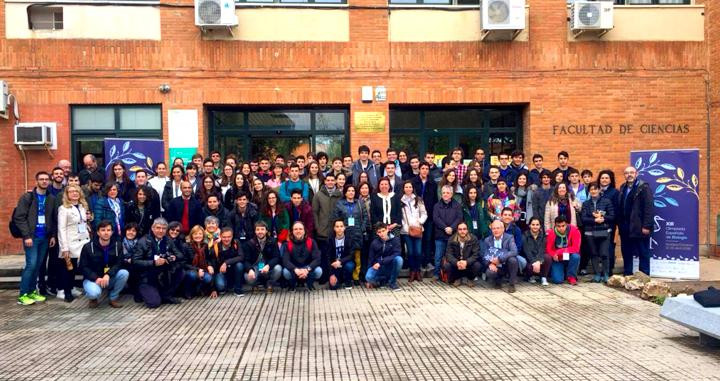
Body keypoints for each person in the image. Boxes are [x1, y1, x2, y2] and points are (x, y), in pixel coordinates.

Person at [13, 172, 56, 305]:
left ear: (49, 181)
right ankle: (23, 294)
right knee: (31, 265)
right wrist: (26, 236)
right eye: (41, 179)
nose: (44, 181)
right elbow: (19, 217)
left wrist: (53, 235)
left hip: (44, 237)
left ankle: (32, 292)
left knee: (38, 266)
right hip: (31, 237)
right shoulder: (27, 197)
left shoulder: (51, 198)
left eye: (46, 179)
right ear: (36, 181)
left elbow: (53, 219)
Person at [132, 218, 185, 308]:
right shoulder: (143, 241)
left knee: (181, 271)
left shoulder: (168, 240)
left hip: (163, 275)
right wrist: (153, 263)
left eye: (164, 228)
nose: (161, 231)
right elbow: (135, 262)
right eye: (158, 228)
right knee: (154, 303)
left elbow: (180, 255)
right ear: (153, 228)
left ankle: (165, 295)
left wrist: (174, 257)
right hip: (147, 277)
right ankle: (144, 293)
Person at [79, 220, 129, 308]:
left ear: (112, 232)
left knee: (124, 273)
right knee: (94, 293)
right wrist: (96, 278)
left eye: (108, 230)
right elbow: (83, 267)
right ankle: (93, 298)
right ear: (98, 232)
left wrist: (108, 275)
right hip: (93, 279)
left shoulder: (118, 245)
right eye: (103, 230)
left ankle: (113, 298)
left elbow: (119, 263)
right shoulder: (88, 247)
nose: (106, 233)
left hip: (108, 278)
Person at [56, 184, 91, 302]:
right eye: (71, 192)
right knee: (69, 268)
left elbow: (84, 223)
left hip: (84, 241)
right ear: (67, 194)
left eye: (76, 191)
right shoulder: (63, 209)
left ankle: (72, 287)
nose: (74, 193)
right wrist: (64, 247)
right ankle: (67, 293)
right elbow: (62, 229)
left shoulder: (83, 206)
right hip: (71, 243)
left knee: (79, 268)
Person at [617, 166, 654, 276]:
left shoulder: (643, 187)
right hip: (625, 226)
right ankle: (628, 274)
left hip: (640, 226)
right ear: (624, 175)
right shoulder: (623, 187)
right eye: (627, 173)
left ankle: (644, 276)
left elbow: (649, 208)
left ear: (636, 174)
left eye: (631, 172)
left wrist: (646, 226)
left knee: (643, 252)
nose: (629, 175)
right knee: (627, 251)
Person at [332, 183, 369, 282]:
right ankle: (345, 277)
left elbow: (365, 217)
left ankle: (356, 277)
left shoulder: (360, 203)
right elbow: (336, 218)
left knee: (358, 258)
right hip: (345, 234)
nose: (351, 192)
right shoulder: (340, 203)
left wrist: (362, 228)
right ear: (345, 192)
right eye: (349, 191)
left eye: (353, 190)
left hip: (358, 233)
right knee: (347, 256)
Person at [581, 182, 615, 283]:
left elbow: (612, 216)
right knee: (594, 253)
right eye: (591, 189)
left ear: (599, 190)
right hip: (590, 232)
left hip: (604, 231)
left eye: (595, 189)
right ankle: (597, 274)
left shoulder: (607, 201)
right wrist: (594, 220)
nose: (593, 191)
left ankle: (605, 274)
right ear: (589, 191)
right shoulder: (586, 204)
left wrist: (603, 218)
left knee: (604, 253)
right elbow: (583, 218)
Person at [312, 173, 343, 279]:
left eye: (332, 180)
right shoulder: (319, 195)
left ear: (335, 182)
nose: (330, 182)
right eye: (328, 180)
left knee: (334, 254)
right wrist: (317, 227)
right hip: (322, 230)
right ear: (325, 181)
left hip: (335, 230)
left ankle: (335, 276)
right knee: (323, 255)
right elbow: (315, 212)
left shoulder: (339, 195)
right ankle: (324, 276)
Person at [433, 185, 463, 280]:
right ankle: (436, 274)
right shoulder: (437, 206)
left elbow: (459, 218)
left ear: (452, 194)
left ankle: (453, 275)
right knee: (438, 256)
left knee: (453, 256)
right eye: (444, 193)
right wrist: (445, 228)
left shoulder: (457, 205)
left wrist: (452, 228)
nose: (445, 195)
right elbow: (436, 219)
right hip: (440, 235)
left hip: (453, 235)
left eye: (448, 193)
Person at [400, 181, 428, 282]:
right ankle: (412, 271)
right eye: (406, 187)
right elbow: (400, 217)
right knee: (410, 252)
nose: (408, 189)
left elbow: (424, 213)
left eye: (410, 187)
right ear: (403, 189)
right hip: (406, 231)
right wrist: (405, 226)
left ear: (413, 188)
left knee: (418, 252)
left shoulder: (418, 200)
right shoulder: (400, 201)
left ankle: (418, 271)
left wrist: (419, 222)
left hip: (418, 229)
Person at [243, 222, 282, 293]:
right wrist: (250, 269)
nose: (260, 232)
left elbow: (276, 257)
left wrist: (268, 265)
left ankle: (269, 284)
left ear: (266, 231)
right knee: (247, 277)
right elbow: (246, 260)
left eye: (262, 229)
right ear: (255, 231)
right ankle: (255, 285)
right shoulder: (249, 243)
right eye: (257, 229)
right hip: (255, 267)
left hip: (267, 266)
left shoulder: (272, 241)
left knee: (278, 269)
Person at [282, 222, 322, 291]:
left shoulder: (312, 242)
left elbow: (317, 259)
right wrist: (295, 269)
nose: (298, 231)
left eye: (300, 229)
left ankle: (309, 282)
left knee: (319, 271)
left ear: (304, 231)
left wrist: (307, 269)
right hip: (294, 269)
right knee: (285, 272)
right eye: (296, 229)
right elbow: (285, 261)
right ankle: (293, 284)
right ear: (292, 231)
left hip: (307, 268)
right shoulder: (287, 244)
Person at [483, 220, 519, 293]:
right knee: (489, 272)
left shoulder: (509, 238)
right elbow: (484, 255)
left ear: (503, 229)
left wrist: (500, 259)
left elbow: (514, 251)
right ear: (491, 230)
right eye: (494, 228)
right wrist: (490, 264)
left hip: (506, 263)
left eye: (498, 228)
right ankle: (497, 281)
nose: (496, 230)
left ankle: (511, 284)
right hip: (495, 265)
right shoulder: (487, 240)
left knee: (513, 260)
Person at [208, 227, 246, 296]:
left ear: (232, 236)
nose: (226, 239)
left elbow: (241, 256)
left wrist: (226, 263)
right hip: (220, 272)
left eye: (229, 237)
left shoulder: (236, 242)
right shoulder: (215, 247)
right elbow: (212, 267)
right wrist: (213, 289)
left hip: (232, 269)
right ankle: (226, 286)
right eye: (224, 237)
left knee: (239, 265)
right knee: (220, 286)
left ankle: (237, 289)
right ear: (220, 236)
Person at [444, 222, 483, 287]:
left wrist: (466, 262)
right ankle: (457, 278)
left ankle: (470, 279)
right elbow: (449, 254)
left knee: (477, 265)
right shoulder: (452, 239)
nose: (462, 231)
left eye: (464, 229)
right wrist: (456, 262)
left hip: (468, 264)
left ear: (467, 230)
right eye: (460, 229)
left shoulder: (473, 239)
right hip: (457, 265)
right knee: (447, 265)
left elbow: (476, 254)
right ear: (457, 230)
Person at [366, 222, 403, 290]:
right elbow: (370, 259)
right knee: (368, 277)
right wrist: (368, 281)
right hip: (379, 267)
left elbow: (397, 253)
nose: (382, 233)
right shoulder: (374, 243)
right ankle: (383, 280)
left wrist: (381, 262)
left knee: (399, 259)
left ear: (387, 229)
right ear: (377, 233)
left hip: (389, 265)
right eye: (379, 232)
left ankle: (392, 283)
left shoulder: (395, 240)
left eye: (383, 231)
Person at [182, 225, 216, 299]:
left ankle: (199, 289)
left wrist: (209, 266)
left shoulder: (205, 245)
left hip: (203, 269)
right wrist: (197, 270)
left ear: (203, 235)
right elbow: (184, 263)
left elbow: (208, 259)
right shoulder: (186, 246)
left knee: (208, 278)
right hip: (190, 269)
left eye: (200, 234)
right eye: (195, 234)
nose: (198, 236)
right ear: (191, 235)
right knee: (193, 275)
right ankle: (188, 291)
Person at [546, 215, 581, 285]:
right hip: (557, 259)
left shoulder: (574, 231)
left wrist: (559, 251)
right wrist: (553, 255)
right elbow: (548, 249)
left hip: (567, 256)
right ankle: (563, 272)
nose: (561, 228)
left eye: (563, 226)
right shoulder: (551, 233)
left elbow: (576, 248)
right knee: (558, 280)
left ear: (567, 224)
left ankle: (571, 276)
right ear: (555, 225)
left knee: (576, 256)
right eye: (558, 226)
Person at [598, 169, 620, 274]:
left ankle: (609, 269)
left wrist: (606, 217)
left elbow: (616, 209)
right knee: (600, 246)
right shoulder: (597, 191)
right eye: (602, 178)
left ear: (610, 180)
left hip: (609, 223)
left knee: (609, 245)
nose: (604, 180)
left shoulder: (615, 192)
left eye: (607, 178)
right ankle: (600, 268)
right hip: (597, 223)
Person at [326, 219, 356, 290]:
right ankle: (339, 280)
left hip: (345, 263)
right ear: (334, 228)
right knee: (333, 287)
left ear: (344, 228)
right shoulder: (330, 240)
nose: (339, 228)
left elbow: (351, 255)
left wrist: (340, 261)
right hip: (334, 265)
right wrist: (331, 274)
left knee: (350, 265)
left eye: (341, 226)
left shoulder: (349, 239)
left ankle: (347, 281)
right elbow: (328, 257)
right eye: (337, 226)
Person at [522, 217, 550, 286]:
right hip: (530, 260)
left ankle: (543, 277)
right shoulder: (525, 235)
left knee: (547, 257)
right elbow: (527, 251)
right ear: (529, 225)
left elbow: (542, 250)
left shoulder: (543, 236)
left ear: (540, 226)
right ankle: (530, 277)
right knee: (529, 267)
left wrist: (538, 261)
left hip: (539, 260)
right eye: (533, 224)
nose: (535, 226)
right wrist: (534, 262)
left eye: (537, 225)